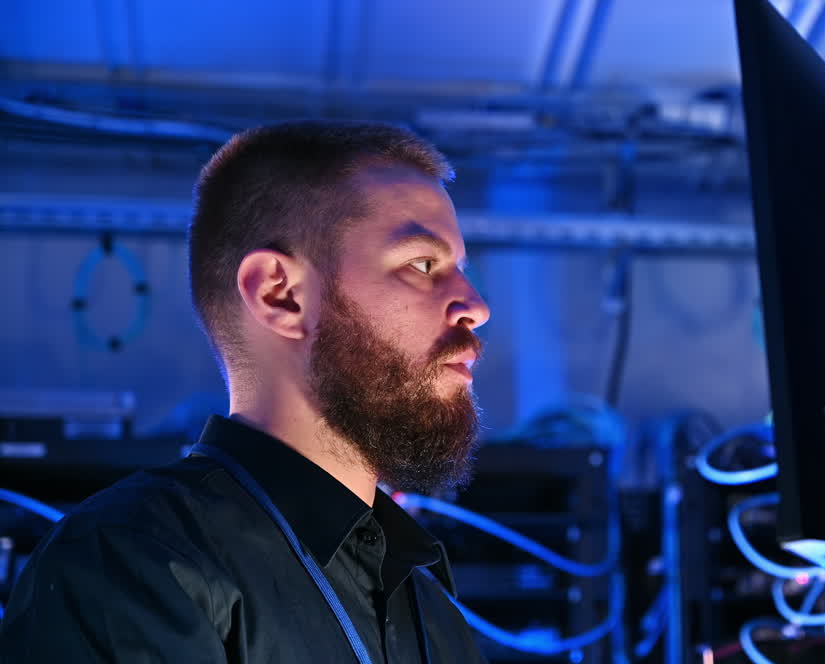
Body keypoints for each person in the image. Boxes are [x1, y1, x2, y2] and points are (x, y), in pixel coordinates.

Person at [0, 121, 492, 663]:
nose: (476, 305)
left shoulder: (426, 599)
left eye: (460, 269)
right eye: (423, 264)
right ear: (280, 294)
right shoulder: (133, 562)